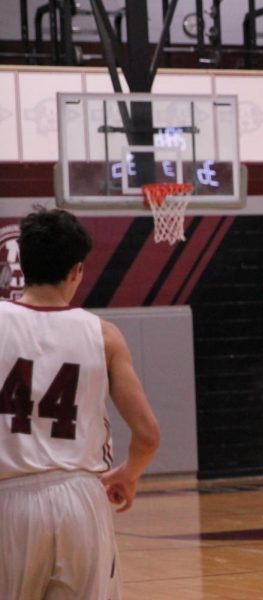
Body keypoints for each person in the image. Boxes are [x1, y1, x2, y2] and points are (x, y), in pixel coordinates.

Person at [0, 208, 160, 600]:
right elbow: (148, 435)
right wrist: (129, 474)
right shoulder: (104, 336)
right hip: (80, 499)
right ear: (77, 270)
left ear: (22, 262)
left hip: (7, 501)